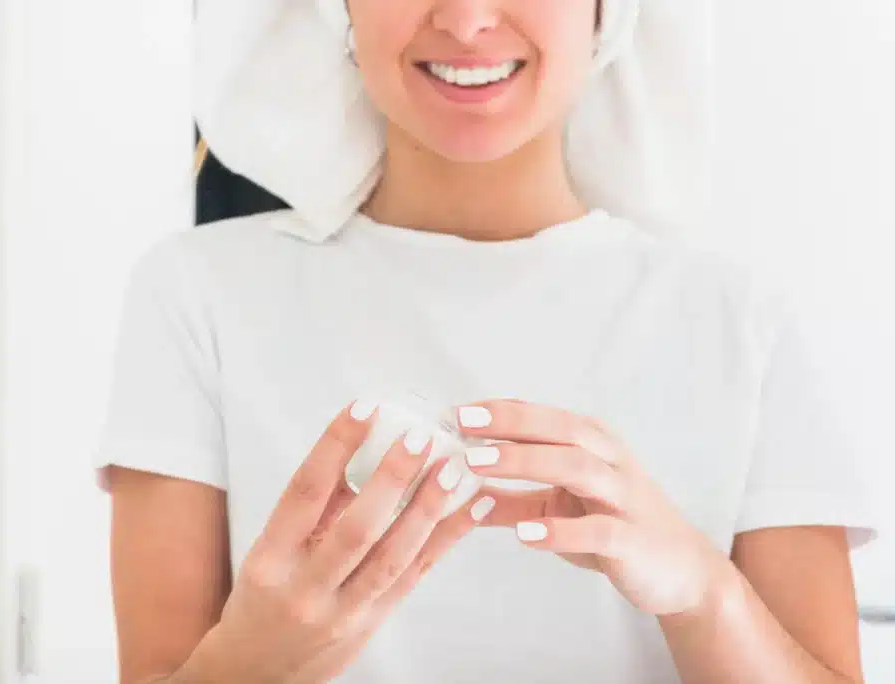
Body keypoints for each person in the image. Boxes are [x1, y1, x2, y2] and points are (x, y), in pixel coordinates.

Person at [94, 1, 877, 683]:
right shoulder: (199, 295)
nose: (467, 19)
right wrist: (250, 663)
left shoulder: (741, 322)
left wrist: (707, 594)